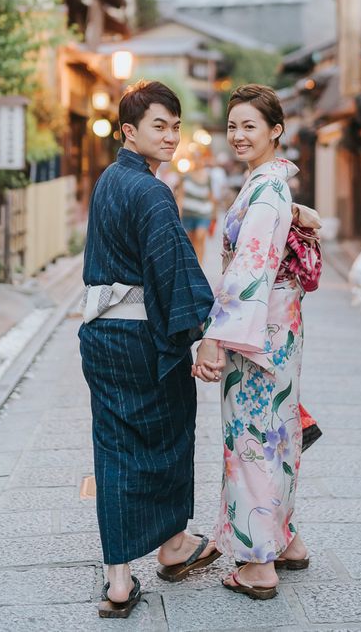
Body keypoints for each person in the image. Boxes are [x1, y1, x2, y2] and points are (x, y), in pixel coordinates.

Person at [79, 80, 224, 618]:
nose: (171, 136)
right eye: (159, 126)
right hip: (142, 337)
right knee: (168, 434)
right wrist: (201, 340)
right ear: (129, 131)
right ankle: (172, 546)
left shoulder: (108, 182)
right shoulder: (153, 192)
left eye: (176, 126)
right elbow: (172, 274)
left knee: (114, 450)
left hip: (99, 335)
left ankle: (119, 581)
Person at [192, 84, 309, 601]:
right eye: (233, 126)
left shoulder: (265, 190)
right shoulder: (270, 185)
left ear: (275, 131)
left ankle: (259, 565)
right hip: (278, 328)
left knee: (253, 440)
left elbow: (248, 270)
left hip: (257, 332)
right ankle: (285, 541)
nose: (238, 136)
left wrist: (216, 339)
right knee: (276, 432)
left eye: (250, 126)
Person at [177, 152, 215, 264]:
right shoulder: (185, 177)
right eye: (195, 159)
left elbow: (211, 195)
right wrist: (178, 212)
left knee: (200, 237)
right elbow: (181, 196)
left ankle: (200, 266)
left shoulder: (208, 177)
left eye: (199, 159)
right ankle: (193, 264)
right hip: (188, 214)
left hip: (203, 213)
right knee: (190, 242)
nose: (197, 162)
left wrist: (214, 212)